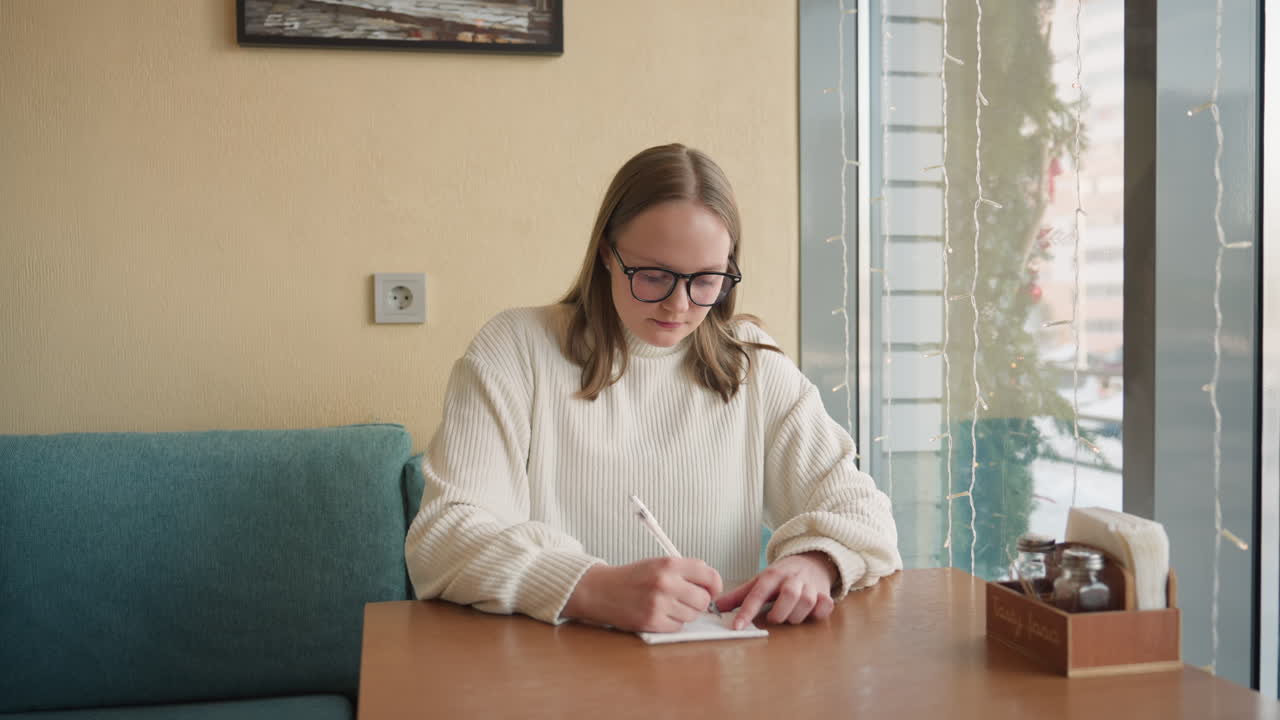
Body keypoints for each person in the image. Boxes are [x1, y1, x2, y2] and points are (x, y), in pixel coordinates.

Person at [405, 143, 901, 633]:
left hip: (715, 676)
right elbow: (443, 538)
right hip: (552, 676)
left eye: (706, 279)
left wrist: (816, 562)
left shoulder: (751, 363)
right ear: (605, 254)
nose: (678, 306)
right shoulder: (516, 349)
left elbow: (864, 513)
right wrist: (591, 589)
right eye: (654, 275)